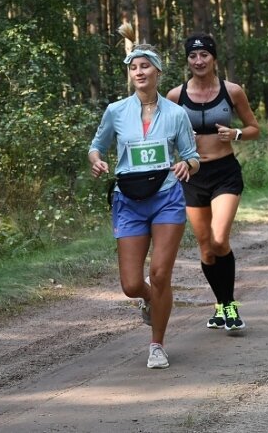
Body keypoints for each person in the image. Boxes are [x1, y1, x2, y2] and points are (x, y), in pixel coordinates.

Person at [88, 43, 199, 369]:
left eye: (145, 66)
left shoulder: (176, 114)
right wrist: (97, 162)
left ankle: (157, 345)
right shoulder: (116, 111)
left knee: (160, 273)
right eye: (134, 67)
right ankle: (152, 300)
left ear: (157, 73)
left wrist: (186, 167)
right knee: (132, 284)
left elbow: (192, 157)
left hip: (166, 198)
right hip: (129, 200)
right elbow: (96, 147)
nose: (139, 72)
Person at [166, 33, 260, 332]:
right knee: (206, 249)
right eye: (193, 56)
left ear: (214, 58)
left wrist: (236, 134)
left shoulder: (232, 91)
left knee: (220, 239)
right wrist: (180, 143)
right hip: (193, 177)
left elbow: (254, 128)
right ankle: (221, 305)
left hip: (225, 173)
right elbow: (162, 138)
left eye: (204, 55)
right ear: (187, 61)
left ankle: (229, 305)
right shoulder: (174, 96)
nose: (198, 61)